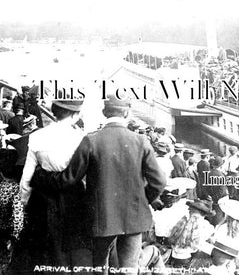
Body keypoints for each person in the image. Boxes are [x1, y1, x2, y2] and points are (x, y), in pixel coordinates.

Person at [30, 95, 166, 273]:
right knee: (129, 268)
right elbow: (159, 181)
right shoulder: (141, 141)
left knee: (100, 267)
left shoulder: (91, 140)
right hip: (134, 217)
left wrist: (40, 175)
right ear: (126, 113)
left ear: (104, 113)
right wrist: (141, 200)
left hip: (101, 218)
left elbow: (68, 179)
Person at [19, 99, 91, 270]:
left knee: (43, 248)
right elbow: (85, 176)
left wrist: (24, 200)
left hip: (42, 198)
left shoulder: (37, 136)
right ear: (74, 115)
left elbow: (26, 176)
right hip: (72, 198)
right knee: (69, 249)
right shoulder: (80, 138)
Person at [168, 198, 215, 268]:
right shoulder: (202, 224)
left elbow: (171, 237)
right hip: (188, 257)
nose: (189, 209)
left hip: (175, 255)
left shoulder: (184, 220)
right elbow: (197, 243)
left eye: (191, 208)